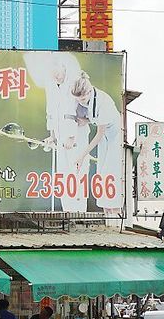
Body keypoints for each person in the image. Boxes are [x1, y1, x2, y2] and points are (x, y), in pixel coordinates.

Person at [25, 53, 88, 212]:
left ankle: (79, 212)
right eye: (53, 75)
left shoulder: (74, 80)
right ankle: (68, 211)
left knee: (77, 173)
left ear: (62, 66)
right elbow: (51, 110)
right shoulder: (50, 83)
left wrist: (72, 136)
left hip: (77, 136)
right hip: (60, 137)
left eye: (58, 73)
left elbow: (75, 110)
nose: (57, 77)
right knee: (63, 174)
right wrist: (52, 135)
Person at [70, 72, 124, 215]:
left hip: (114, 137)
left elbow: (99, 134)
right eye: (78, 99)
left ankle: (116, 215)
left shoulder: (103, 102)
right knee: (101, 175)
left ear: (89, 91)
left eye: (82, 99)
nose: (81, 102)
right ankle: (107, 215)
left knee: (111, 174)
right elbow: (95, 118)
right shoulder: (86, 100)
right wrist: (87, 121)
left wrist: (82, 156)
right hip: (105, 137)